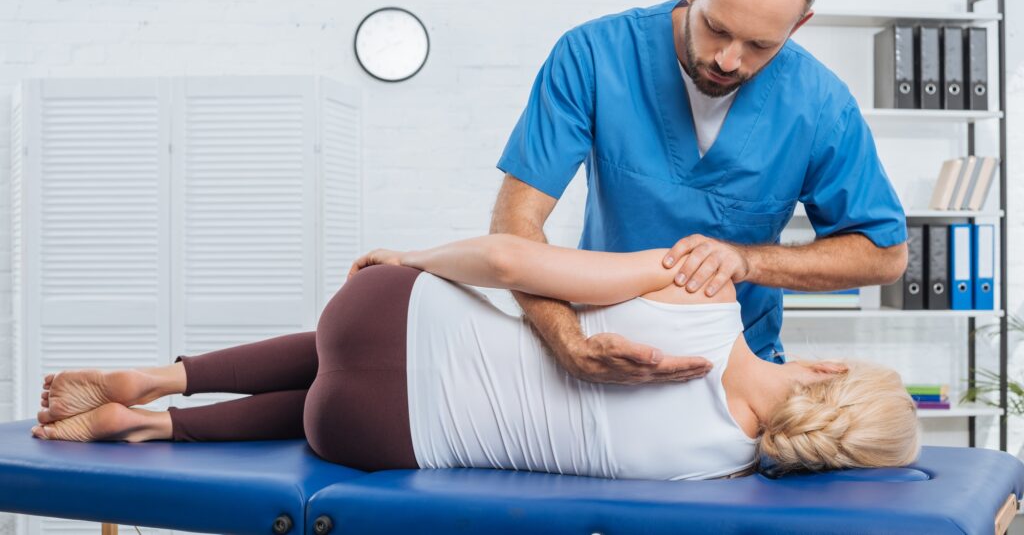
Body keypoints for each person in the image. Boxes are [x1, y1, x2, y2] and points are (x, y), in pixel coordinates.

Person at [30, 234, 920, 480]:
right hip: (367, 435)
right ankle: (153, 423)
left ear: (829, 370)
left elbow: (502, 261)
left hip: (375, 320)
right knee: (352, 393)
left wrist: (409, 257)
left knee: (381, 339)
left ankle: (164, 373)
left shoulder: (702, 292)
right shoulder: (715, 471)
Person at [490, 0, 909, 386]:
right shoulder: (592, 56)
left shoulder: (820, 105)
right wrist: (568, 343)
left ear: (798, 25)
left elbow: (883, 254)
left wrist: (748, 260)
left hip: (739, 372)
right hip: (605, 350)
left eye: (759, 44)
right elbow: (514, 229)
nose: (729, 60)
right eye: (716, 27)